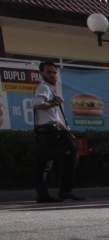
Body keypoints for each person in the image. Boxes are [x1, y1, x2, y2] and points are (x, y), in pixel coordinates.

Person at [33, 61, 83, 203]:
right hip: (48, 132)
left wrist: (66, 132)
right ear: (41, 73)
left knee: (43, 164)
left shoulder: (48, 89)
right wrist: (56, 102)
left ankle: (43, 194)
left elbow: (53, 116)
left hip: (48, 130)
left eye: (54, 72)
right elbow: (37, 106)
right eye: (49, 72)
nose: (53, 75)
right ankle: (65, 191)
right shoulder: (43, 87)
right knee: (72, 156)